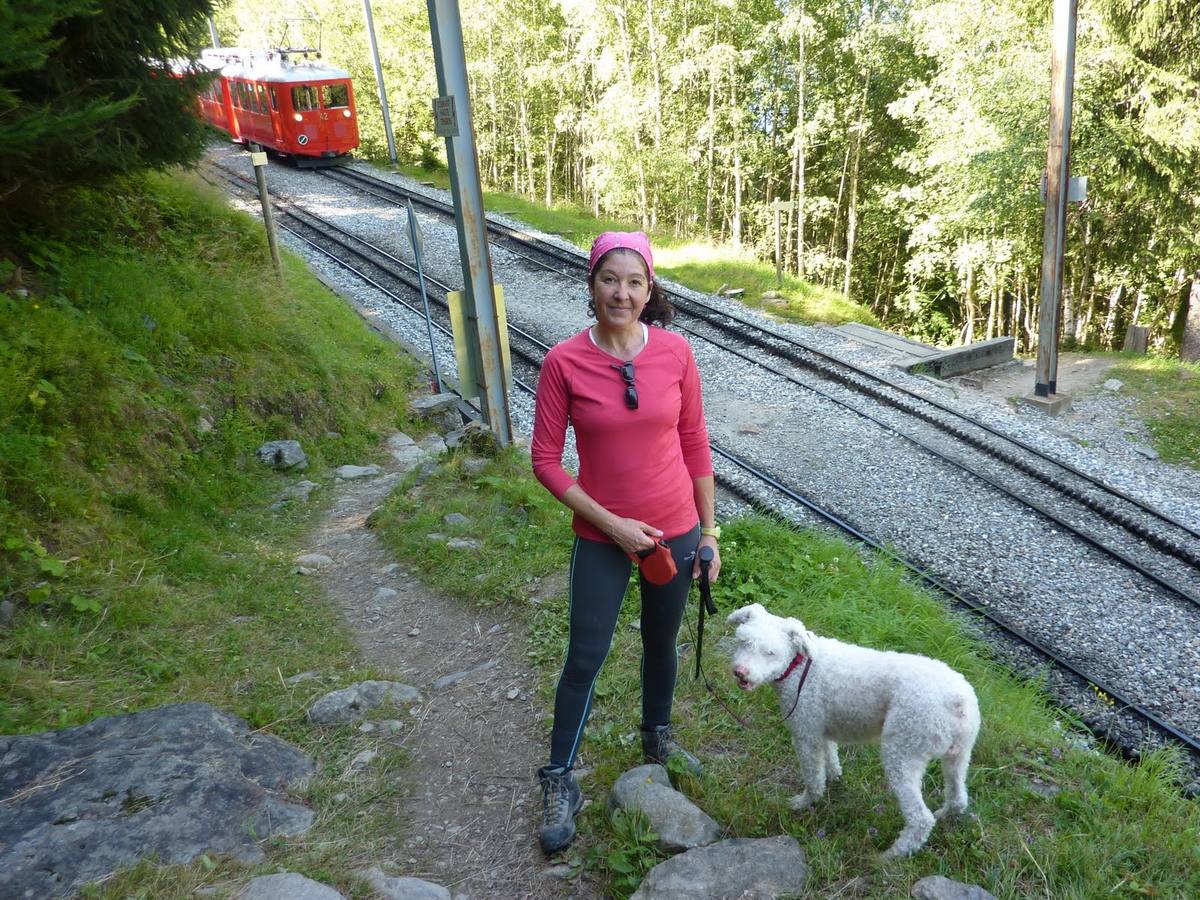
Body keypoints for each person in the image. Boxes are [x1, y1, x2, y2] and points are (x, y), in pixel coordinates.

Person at [530, 231, 722, 854]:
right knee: (586, 655)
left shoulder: (676, 353)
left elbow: (695, 442)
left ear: (649, 291)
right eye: (610, 279)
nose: (622, 292)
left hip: (676, 528)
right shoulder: (564, 362)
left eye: (634, 281)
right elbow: (545, 462)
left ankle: (657, 736)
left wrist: (710, 531)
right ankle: (560, 778)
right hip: (602, 535)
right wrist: (611, 524)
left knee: (661, 641)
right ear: (592, 285)